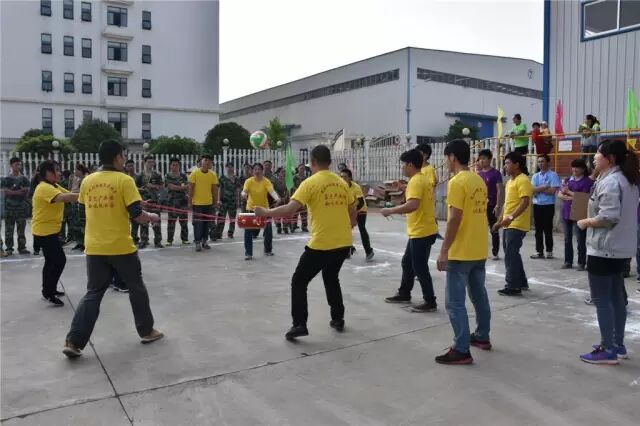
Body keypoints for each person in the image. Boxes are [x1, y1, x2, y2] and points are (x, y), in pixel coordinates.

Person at [62, 140, 164, 359]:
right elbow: (137, 215)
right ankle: (146, 331)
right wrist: (153, 217)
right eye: (123, 156)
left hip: (94, 247)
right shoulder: (124, 180)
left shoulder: (88, 180)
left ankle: (74, 341)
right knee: (136, 287)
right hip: (121, 247)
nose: (124, 160)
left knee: (93, 292)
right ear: (118, 157)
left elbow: (82, 213)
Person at [255, 145, 356, 339]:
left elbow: (289, 210)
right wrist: (348, 228)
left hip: (321, 244)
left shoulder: (310, 183)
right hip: (343, 242)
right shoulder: (342, 183)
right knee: (331, 278)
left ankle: (299, 324)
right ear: (330, 162)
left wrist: (265, 212)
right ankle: (338, 318)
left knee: (299, 281)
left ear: (312, 162)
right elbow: (353, 209)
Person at [577, 139, 639, 364]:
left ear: (610, 159)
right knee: (615, 298)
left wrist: (586, 222)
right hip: (619, 249)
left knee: (602, 299)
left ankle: (608, 348)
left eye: (598, 154)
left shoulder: (612, 182)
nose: (594, 157)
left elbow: (609, 216)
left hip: (604, 249)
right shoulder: (627, 180)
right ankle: (617, 344)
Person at [435, 139, 491, 365]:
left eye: (446, 158)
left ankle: (461, 349)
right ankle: (482, 335)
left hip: (461, 252)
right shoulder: (479, 180)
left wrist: (444, 250)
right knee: (479, 296)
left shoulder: (457, 182)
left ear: (452, 157)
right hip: (479, 248)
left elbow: (454, 219)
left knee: (454, 303)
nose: (446, 163)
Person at [382, 149, 438, 313]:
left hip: (421, 231)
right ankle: (404, 293)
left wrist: (390, 210)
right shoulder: (421, 179)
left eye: (403, 165)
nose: (402, 168)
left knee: (419, 267)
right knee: (408, 263)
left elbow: (413, 205)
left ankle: (430, 301)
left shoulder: (416, 181)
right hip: (422, 229)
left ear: (410, 165)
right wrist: (403, 187)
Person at [31, 160, 79, 306]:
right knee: (59, 260)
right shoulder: (44, 187)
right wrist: (86, 194)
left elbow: (70, 194)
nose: (59, 173)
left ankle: (48, 290)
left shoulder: (54, 186)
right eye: (56, 170)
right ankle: (49, 293)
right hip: (44, 232)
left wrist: (81, 190)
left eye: (59, 169)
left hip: (48, 231)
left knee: (51, 262)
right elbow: (64, 198)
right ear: (47, 173)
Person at [493, 151, 533, 296]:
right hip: (509, 223)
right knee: (512, 253)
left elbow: (524, 202)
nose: (505, 166)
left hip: (517, 223)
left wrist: (510, 218)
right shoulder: (510, 181)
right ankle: (521, 282)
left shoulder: (523, 180)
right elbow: (507, 204)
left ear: (516, 165)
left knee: (510, 254)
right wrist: (499, 221)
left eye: (507, 163)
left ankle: (513, 285)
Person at [558, 159, 593, 270]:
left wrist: (568, 193)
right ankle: (568, 261)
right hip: (566, 211)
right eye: (573, 167)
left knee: (580, 239)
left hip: (579, 212)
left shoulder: (587, 182)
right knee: (567, 239)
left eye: (577, 167)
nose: (574, 169)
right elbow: (560, 193)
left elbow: (584, 197)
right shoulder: (568, 179)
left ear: (583, 169)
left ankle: (581, 262)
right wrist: (564, 195)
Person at [242, 163, 280, 260]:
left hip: (264, 210)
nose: (257, 171)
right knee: (248, 231)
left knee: (268, 229)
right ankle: (248, 253)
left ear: (262, 171)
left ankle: (268, 250)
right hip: (251, 209)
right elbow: (244, 191)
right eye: (255, 169)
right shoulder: (248, 181)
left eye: (259, 169)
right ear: (252, 171)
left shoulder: (266, 181)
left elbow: (272, 191)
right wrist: (243, 194)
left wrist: (276, 198)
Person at [530, 154, 561, 259]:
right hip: (537, 205)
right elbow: (532, 190)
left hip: (548, 205)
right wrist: (545, 186)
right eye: (539, 161)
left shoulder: (553, 175)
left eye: (542, 161)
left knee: (547, 229)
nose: (540, 163)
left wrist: (538, 189)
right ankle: (539, 251)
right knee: (538, 230)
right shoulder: (535, 176)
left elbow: (552, 191)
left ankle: (549, 251)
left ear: (548, 162)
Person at [340, 168, 374, 261]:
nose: (342, 179)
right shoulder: (340, 187)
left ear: (350, 178)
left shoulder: (356, 187)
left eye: (345, 177)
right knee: (346, 230)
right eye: (341, 177)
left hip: (360, 210)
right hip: (349, 210)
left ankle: (369, 251)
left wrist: (353, 215)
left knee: (362, 228)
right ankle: (348, 249)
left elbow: (360, 202)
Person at [188, 154, 218, 252]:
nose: (207, 162)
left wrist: (215, 202)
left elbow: (214, 190)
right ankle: (197, 242)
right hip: (197, 204)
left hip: (208, 204)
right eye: (205, 160)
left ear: (211, 163)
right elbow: (191, 189)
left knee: (206, 224)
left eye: (209, 161)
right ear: (201, 162)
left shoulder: (213, 174)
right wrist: (189, 202)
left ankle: (205, 241)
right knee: (198, 224)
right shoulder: (194, 173)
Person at [477, 149, 503, 260]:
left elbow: (500, 190)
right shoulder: (478, 174)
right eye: (480, 159)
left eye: (484, 158)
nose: (481, 161)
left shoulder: (496, 173)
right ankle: (481, 251)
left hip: (492, 205)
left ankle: (495, 252)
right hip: (480, 205)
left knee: (494, 228)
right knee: (480, 228)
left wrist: (498, 205)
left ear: (490, 159)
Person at [2, 157, 31, 255]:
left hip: (21, 208)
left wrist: (13, 192)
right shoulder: (7, 179)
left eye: (20, 164)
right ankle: (9, 248)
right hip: (9, 208)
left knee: (21, 229)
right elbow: (6, 192)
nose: (19, 166)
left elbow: (27, 191)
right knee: (9, 229)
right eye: (16, 164)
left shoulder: (24, 178)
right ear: (11, 165)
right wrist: (19, 192)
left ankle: (22, 247)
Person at [135, 156, 164, 249]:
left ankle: (158, 241)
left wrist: (153, 186)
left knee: (156, 221)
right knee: (144, 222)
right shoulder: (140, 175)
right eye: (149, 162)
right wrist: (142, 189)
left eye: (152, 162)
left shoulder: (156, 175)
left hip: (155, 201)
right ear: (145, 163)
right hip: (144, 201)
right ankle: (144, 241)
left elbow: (162, 187)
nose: (151, 164)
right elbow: (134, 188)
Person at [165, 158, 189, 246]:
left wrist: (178, 187)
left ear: (179, 166)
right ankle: (169, 240)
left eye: (177, 165)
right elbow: (170, 187)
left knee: (184, 221)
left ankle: (185, 239)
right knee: (171, 222)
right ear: (170, 166)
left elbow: (187, 187)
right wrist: (181, 188)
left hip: (183, 202)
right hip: (172, 202)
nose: (175, 166)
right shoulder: (168, 176)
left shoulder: (183, 176)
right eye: (173, 165)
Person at [215, 162, 242, 239]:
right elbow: (219, 189)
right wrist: (218, 200)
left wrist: (238, 201)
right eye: (228, 167)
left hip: (232, 201)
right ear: (226, 168)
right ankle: (218, 233)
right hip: (223, 201)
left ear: (233, 168)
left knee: (232, 219)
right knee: (221, 218)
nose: (230, 168)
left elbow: (238, 190)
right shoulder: (222, 178)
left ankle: (230, 233)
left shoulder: (236, 178)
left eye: (231, 167)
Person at [70, 163, 89, 251]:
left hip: (82, 204)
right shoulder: (76, 179)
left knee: (83, 224)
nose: (74, 171)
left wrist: (74, 192)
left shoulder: (86, 179)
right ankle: (79, 242)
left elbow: (83, 192)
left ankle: (84, 243)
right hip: (76, 203)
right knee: (76, 224)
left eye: (76, 170)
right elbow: (71, 189)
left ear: (80, 170)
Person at [124, 159, 139, 245]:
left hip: (134, 201)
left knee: (135, 221)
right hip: (124, 203)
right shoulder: (123, 177)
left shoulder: (138, 177)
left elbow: (143, 188)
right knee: (125, 221)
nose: (131, 167)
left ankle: (134, 238)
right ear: (126, 167)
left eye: (132, 165)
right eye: (129, 166)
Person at [290, 164, 308, 232]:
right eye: (301, 168)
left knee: (304, 213)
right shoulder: (294, 177)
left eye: (303, 168)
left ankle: (304, 226)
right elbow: (291, 187)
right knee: (295, 212)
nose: (302, 170)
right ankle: (293, 225)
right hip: (296, 196)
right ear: (298, 169)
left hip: (304, 197)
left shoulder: (306, 178)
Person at [273, 167, 290, 234]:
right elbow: (273, 190)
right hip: (278, 199)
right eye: (282, 171)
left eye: (284, 171)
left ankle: (285, 227)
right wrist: (279, 197)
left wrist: (286, 196)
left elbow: (289, 189)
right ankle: (278, 227)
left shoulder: (287, 181)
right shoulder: (275, 181)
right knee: (278, 213)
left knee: (285, 213)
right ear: (278, 173)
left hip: (286, 199)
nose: (284, 173)